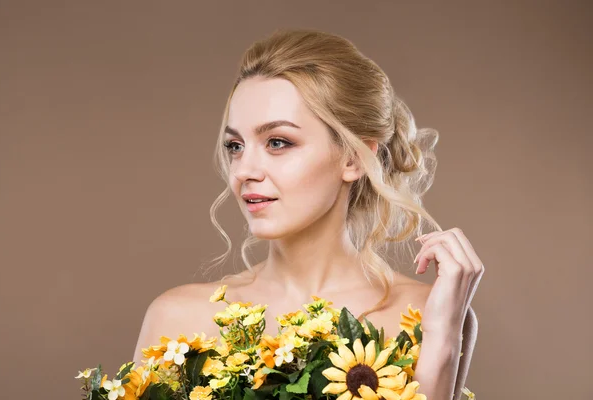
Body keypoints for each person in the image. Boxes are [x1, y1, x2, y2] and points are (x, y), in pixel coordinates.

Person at [132, 28, 484, 400]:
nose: (243, 170)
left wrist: (443, 340)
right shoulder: (178, 320)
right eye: (235, 146)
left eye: (278, 142)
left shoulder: (426, 316)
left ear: (353, 157)